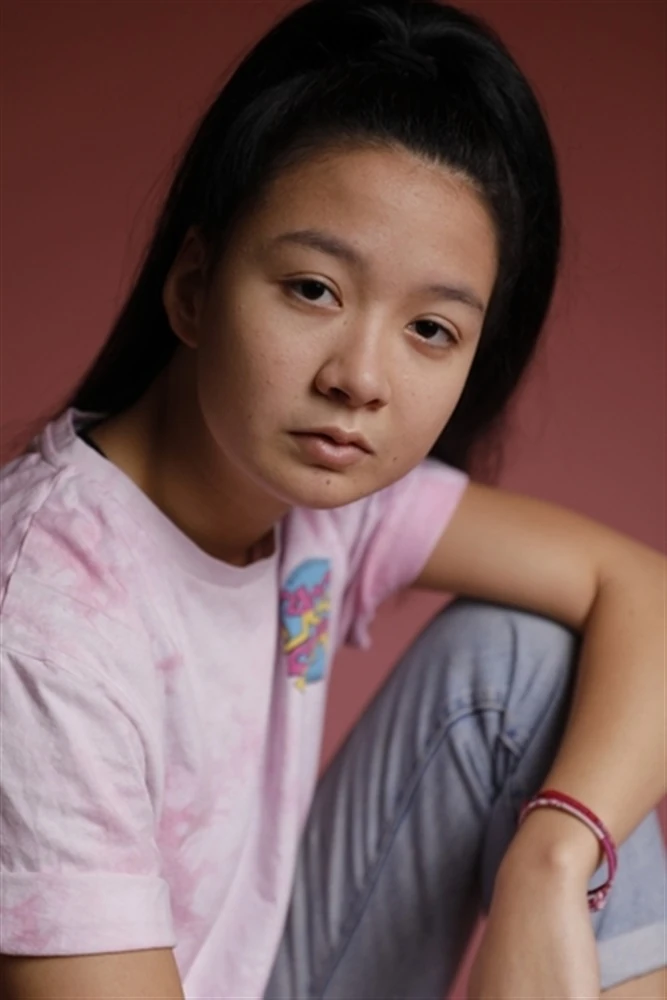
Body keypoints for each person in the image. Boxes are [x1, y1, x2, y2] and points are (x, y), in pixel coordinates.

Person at [0, 0, 664, 996]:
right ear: (193, 286)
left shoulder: (318, 494)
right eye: (314, 289)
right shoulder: (48, 617)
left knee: (524, 664)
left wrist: (555, 857)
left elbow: (643, 594)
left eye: (430, 330)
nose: (359, 378)